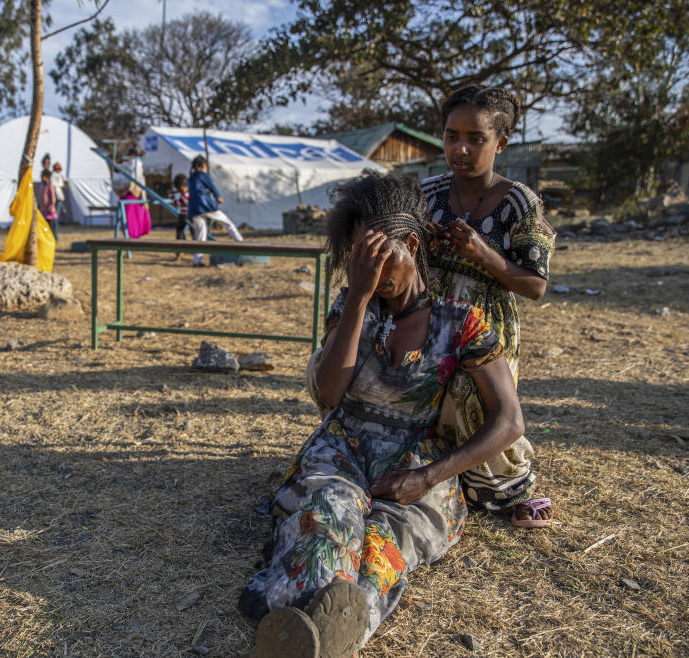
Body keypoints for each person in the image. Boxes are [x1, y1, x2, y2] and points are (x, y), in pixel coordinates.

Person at [240, 172, 527, 657]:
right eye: (356, 258)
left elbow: (509, 422)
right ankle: (304, 618)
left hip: (416, 465)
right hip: (342, 451)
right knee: (327, 516)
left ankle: (316, 631)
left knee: (384, 542)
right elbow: (331, 394)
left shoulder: (461, 322)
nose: (365, 269)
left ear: (411, 244)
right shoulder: (354, 306)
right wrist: (356, 298)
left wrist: (429, 476)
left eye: (376, 256)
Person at [422, 84, 555, 527]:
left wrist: (485, 255)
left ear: (500, 142)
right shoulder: (427, 194)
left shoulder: (520, 202)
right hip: (427, 314)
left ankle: (511, 487)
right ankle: (432, 473)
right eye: (451, 135)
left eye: (475, 138)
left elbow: (534, 285)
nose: (460, 148)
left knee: (469, 397)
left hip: (485, 324)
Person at [187, 155, 243, 267]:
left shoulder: (190, 178)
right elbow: (212, 187)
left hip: (193, 208)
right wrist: (218, 197)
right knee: (227, 223)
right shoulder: (203, 175)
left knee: (200, 234)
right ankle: (241, 243)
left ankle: (197, 261)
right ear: (203, 165)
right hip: (206, 205)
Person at [113, 145, 151, 238]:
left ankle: (134, 235)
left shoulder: (137, 163)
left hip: (136, 194)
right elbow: (119, 180)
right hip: (127, 194)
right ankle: (129, 235)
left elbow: (139, 179)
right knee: (128, 219)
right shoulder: (123, 165)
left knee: (137, 217)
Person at [168, 173, 192, 261]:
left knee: (180, 232)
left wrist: (171, 196)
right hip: (185, 214)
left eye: (180, 188)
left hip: (186, 215)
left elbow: (178, 203)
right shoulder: (186, 192)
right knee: (182, 232)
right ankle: (184, 249)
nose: (179, 190)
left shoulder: (187, 194)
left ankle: (181, 250)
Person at [39, 169, 57, 235]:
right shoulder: (42, 186)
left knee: (50, 225)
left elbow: (53, 197)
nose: (42, 178)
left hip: (49, 209)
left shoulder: (50, 186)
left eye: (43, 176)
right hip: (43, 209)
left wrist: (52, 206)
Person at [51, 161, 67, 227]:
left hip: (57, 197)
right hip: (57, 198)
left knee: (56, 215)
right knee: (55, 215)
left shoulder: (56, 175)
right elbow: (58, 186)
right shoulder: (55, 176)